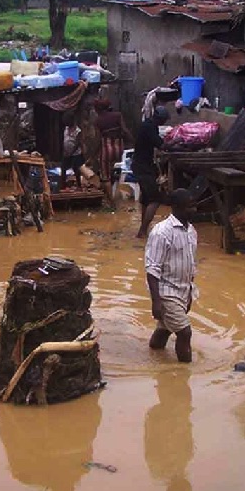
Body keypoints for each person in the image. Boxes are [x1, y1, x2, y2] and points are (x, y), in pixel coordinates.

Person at [145, 188, 198, 363]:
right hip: (166, 291)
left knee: (165, 329)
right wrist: (156, 302)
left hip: (182, 290)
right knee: (185, 332)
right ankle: (184, 374)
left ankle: (153, 357)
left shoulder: (191, 231)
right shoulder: (161, 232)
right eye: (189, 207)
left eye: (194, 206)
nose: (194, 210)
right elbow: (152, 269)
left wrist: (189, 294)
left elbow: (191, 265)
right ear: (176, 207)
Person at [134, 106, 170, 237]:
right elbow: (161, 145)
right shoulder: (149, 127)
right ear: (161, 119)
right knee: (155, 199)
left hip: (142, 165)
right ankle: (142, 231)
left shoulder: (148, 125)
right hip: (143, 167)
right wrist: (175, 142)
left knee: (146, 198)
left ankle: (143, 230)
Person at [94, 98, 133, 191]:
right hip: (119, 148)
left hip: (106, 149)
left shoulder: (98, 120)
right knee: (120, 169)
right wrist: (133, 141)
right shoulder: (117, 115)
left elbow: (98, 139)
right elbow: (124, 131)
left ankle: (111, 202)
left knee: (105, 176)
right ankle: (120, 192)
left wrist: (94, 154)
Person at [61, 116, 84, 189]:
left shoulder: (78, 131)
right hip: (66, 153)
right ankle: (63, 185)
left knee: (76, 169)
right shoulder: (66, 129)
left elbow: (78, 143)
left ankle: (79, 185)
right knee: (63, 168)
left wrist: (71, 152)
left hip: (75, 153)